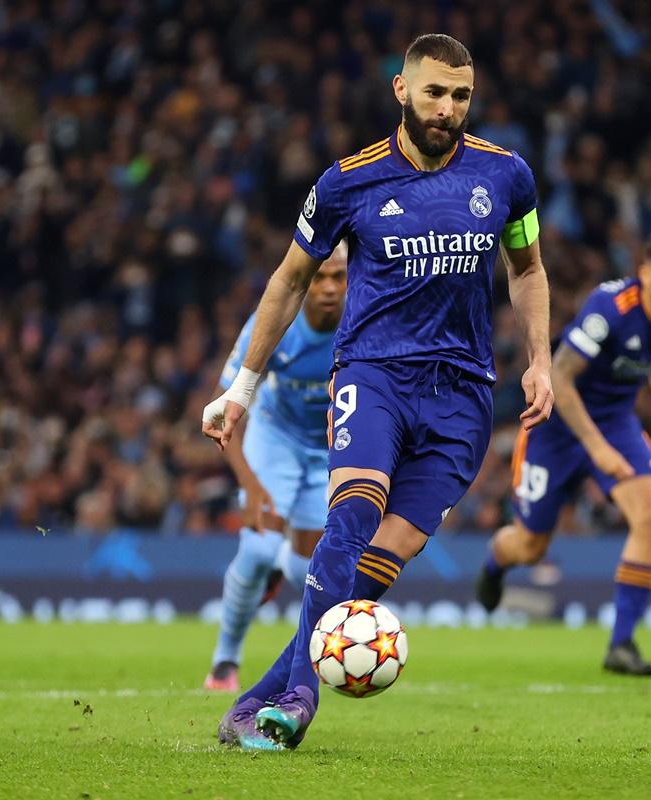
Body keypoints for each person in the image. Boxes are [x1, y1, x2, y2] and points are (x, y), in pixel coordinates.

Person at [201, 34, 553, 749]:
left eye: (460, 96)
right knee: (349, 522)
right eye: (434, 92)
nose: (447, 109)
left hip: (463, 397)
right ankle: (300, 701)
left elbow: (528, 271)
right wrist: (242, 386)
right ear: (401, 90)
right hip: (373, 375)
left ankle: (260, 696)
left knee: (373, 569)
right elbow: (289, 280)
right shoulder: (346, 181)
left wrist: (540, 360)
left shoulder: (507, 176)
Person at [476, 226, 651, 676]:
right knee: (531, 546)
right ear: (645, 272)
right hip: (555, 427)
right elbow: (560, 376)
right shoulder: (610, 307)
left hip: (617, 424)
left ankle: (622, 645)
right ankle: (495, 562)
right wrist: (595, 448)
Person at [203, 245, 347, 692]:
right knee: (257, 550)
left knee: (308, 567)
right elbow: (223, 411)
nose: (328, 288)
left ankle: (282, 567)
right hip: (275, 437)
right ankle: (225, 660)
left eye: (339, 277)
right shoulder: (274, 324)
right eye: (319, 276)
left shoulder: (365, 324)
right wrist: (250, 485)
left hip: (329, 448)